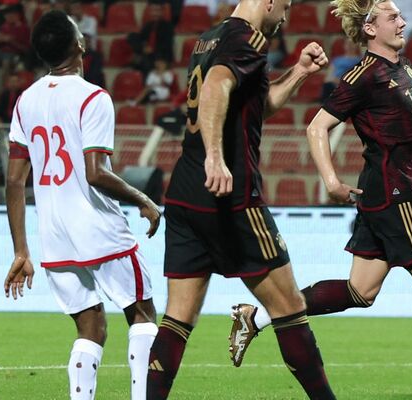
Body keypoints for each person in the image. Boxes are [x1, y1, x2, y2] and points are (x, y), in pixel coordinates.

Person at [228, 1, 412, 400]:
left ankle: (258, 316)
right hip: (395, 195)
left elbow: (395, 124)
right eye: (392, 17)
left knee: (360, 291)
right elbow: (317, 126)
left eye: (401, 15)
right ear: (370, 29)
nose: (402, 21)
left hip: (387, 191)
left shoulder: (403, 69)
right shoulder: (362, 75)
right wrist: (332, 181)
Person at [145, 0, 336, 399]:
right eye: (283, 6)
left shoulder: (208, 37)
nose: (284, 16)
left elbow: (254, 105)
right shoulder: (247, 37)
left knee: (177, 319)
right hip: (231, 198)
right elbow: (217, 85)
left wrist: (299, 71)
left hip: (185, 195)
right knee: (290, 308)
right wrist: (216, 156)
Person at [2, 10, 161, 400]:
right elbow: (95, 173)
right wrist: (144, 199)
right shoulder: (93, 97)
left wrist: (22, 250)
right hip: (99, 229)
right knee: (142, 315)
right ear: (79, 44)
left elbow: (13, 180)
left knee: (90, 329)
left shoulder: (26, 101)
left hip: (54, 236)